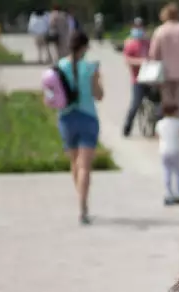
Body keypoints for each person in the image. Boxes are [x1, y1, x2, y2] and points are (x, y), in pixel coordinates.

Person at [55, 31, 104, 225]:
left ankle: (80, 201)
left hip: (66, 118)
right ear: (85, 47)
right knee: (85, 166)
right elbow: (99, 95)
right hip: (88, 118)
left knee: (75, 162)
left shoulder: (60, 66)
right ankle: (83, 207)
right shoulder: (90, 67)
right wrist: (98, 78)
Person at [149, 3, 179, 120]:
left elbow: (153, 54)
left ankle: (169, 125)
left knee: (168, 102)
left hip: (165, 73)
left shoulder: (160, 31)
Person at [155, 102, 179, 206]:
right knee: (178, 172)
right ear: (175, 112)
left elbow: (157, 136)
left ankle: (168, 193)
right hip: (176, 149)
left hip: (164, 150)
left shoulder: (160, 123)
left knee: (166, 171)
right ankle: (178, 192)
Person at [122, 18, 150, 136]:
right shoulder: (130, 44)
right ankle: (127, 127)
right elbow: (127, 60)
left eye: (140, 27)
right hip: (137, 79)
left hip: (151, 78)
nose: (138, 29)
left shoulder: (148, 43)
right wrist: (140, 62)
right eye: (136, 27)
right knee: (136, 103)